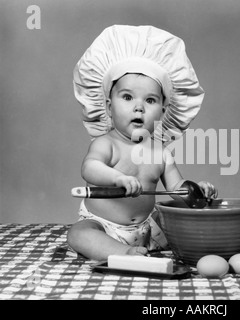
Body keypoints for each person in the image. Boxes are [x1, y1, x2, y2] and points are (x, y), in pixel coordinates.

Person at [67, 25, 218, 261]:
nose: (139, 107)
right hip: (104, 226)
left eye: (150, 100)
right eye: (127, 97)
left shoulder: (160, 153)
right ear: (108, 106)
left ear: (163, 111)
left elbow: (176, 188)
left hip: (149, 228)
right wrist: (117, 178)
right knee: (79, 234)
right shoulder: (107, 144)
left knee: (181, 221)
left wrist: (195, 192)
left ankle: (151, 247)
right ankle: (122, 252)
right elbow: (90, 168)